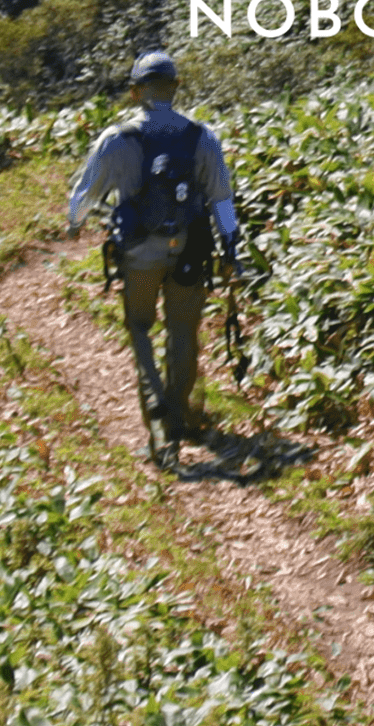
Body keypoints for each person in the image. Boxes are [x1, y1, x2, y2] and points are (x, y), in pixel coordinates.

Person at [65, 49, 242, 471]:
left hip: (139, 254)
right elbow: (222, 200)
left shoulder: (117, 138)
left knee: (140, 329)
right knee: (183, 333)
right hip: (189, 251)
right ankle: (180, 414)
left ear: (135, 91)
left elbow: (82, 197)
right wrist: (231, 248)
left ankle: (161, 433)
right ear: (175, 88)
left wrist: (75, 224)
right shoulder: (202, 136)